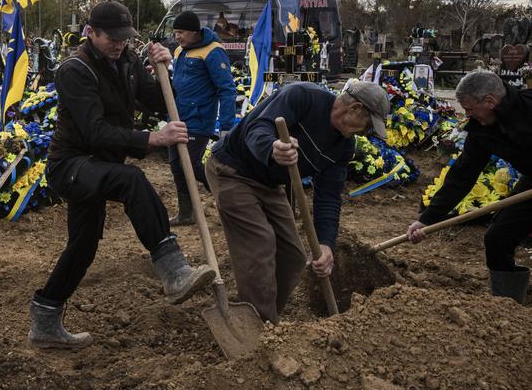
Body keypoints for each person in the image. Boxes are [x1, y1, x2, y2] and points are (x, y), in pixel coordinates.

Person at [29, 1, 216, 349]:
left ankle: (45, 319)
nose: (118, 44)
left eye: (124, 38)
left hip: (102, 165)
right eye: (111, 38)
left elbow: (162, 101)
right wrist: (153, 139)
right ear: (91, 32)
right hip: (72, 165)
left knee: (82, 247)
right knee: (132, 179)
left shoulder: (128, 62)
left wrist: (165, 69)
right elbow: (93, 131)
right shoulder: (75, 69)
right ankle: (173, 269)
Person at [205, 81, 390, 323]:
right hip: (233, 169)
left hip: (269, 184)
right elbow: (258, 127)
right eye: (367, 126)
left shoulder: (343, 147)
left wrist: (325, 244)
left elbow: (329, 196)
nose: (365, 133)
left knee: (292, 256)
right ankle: (260, 328)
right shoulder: (302, 97)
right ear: (355, 109)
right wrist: (273, 148)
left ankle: (265, 318)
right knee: (260, 243)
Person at [406, 70, 532, 304]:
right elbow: (463, 174)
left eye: (470, 109)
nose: (467, 115)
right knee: (498, 237)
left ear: (490, 101)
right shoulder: (482, 129)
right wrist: (428, 218)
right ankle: (508, 307)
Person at [168, 11, 236, 226]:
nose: (177, 37)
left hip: (199, 120)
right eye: (176, 32)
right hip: (178, 118)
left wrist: (226, 126)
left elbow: (227, 89)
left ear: (195, 32)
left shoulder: (213, 51)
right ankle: (186, 213)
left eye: (182, 32)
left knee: (191, 164)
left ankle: (230, 205)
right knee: (176, 166)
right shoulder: (179, 51)